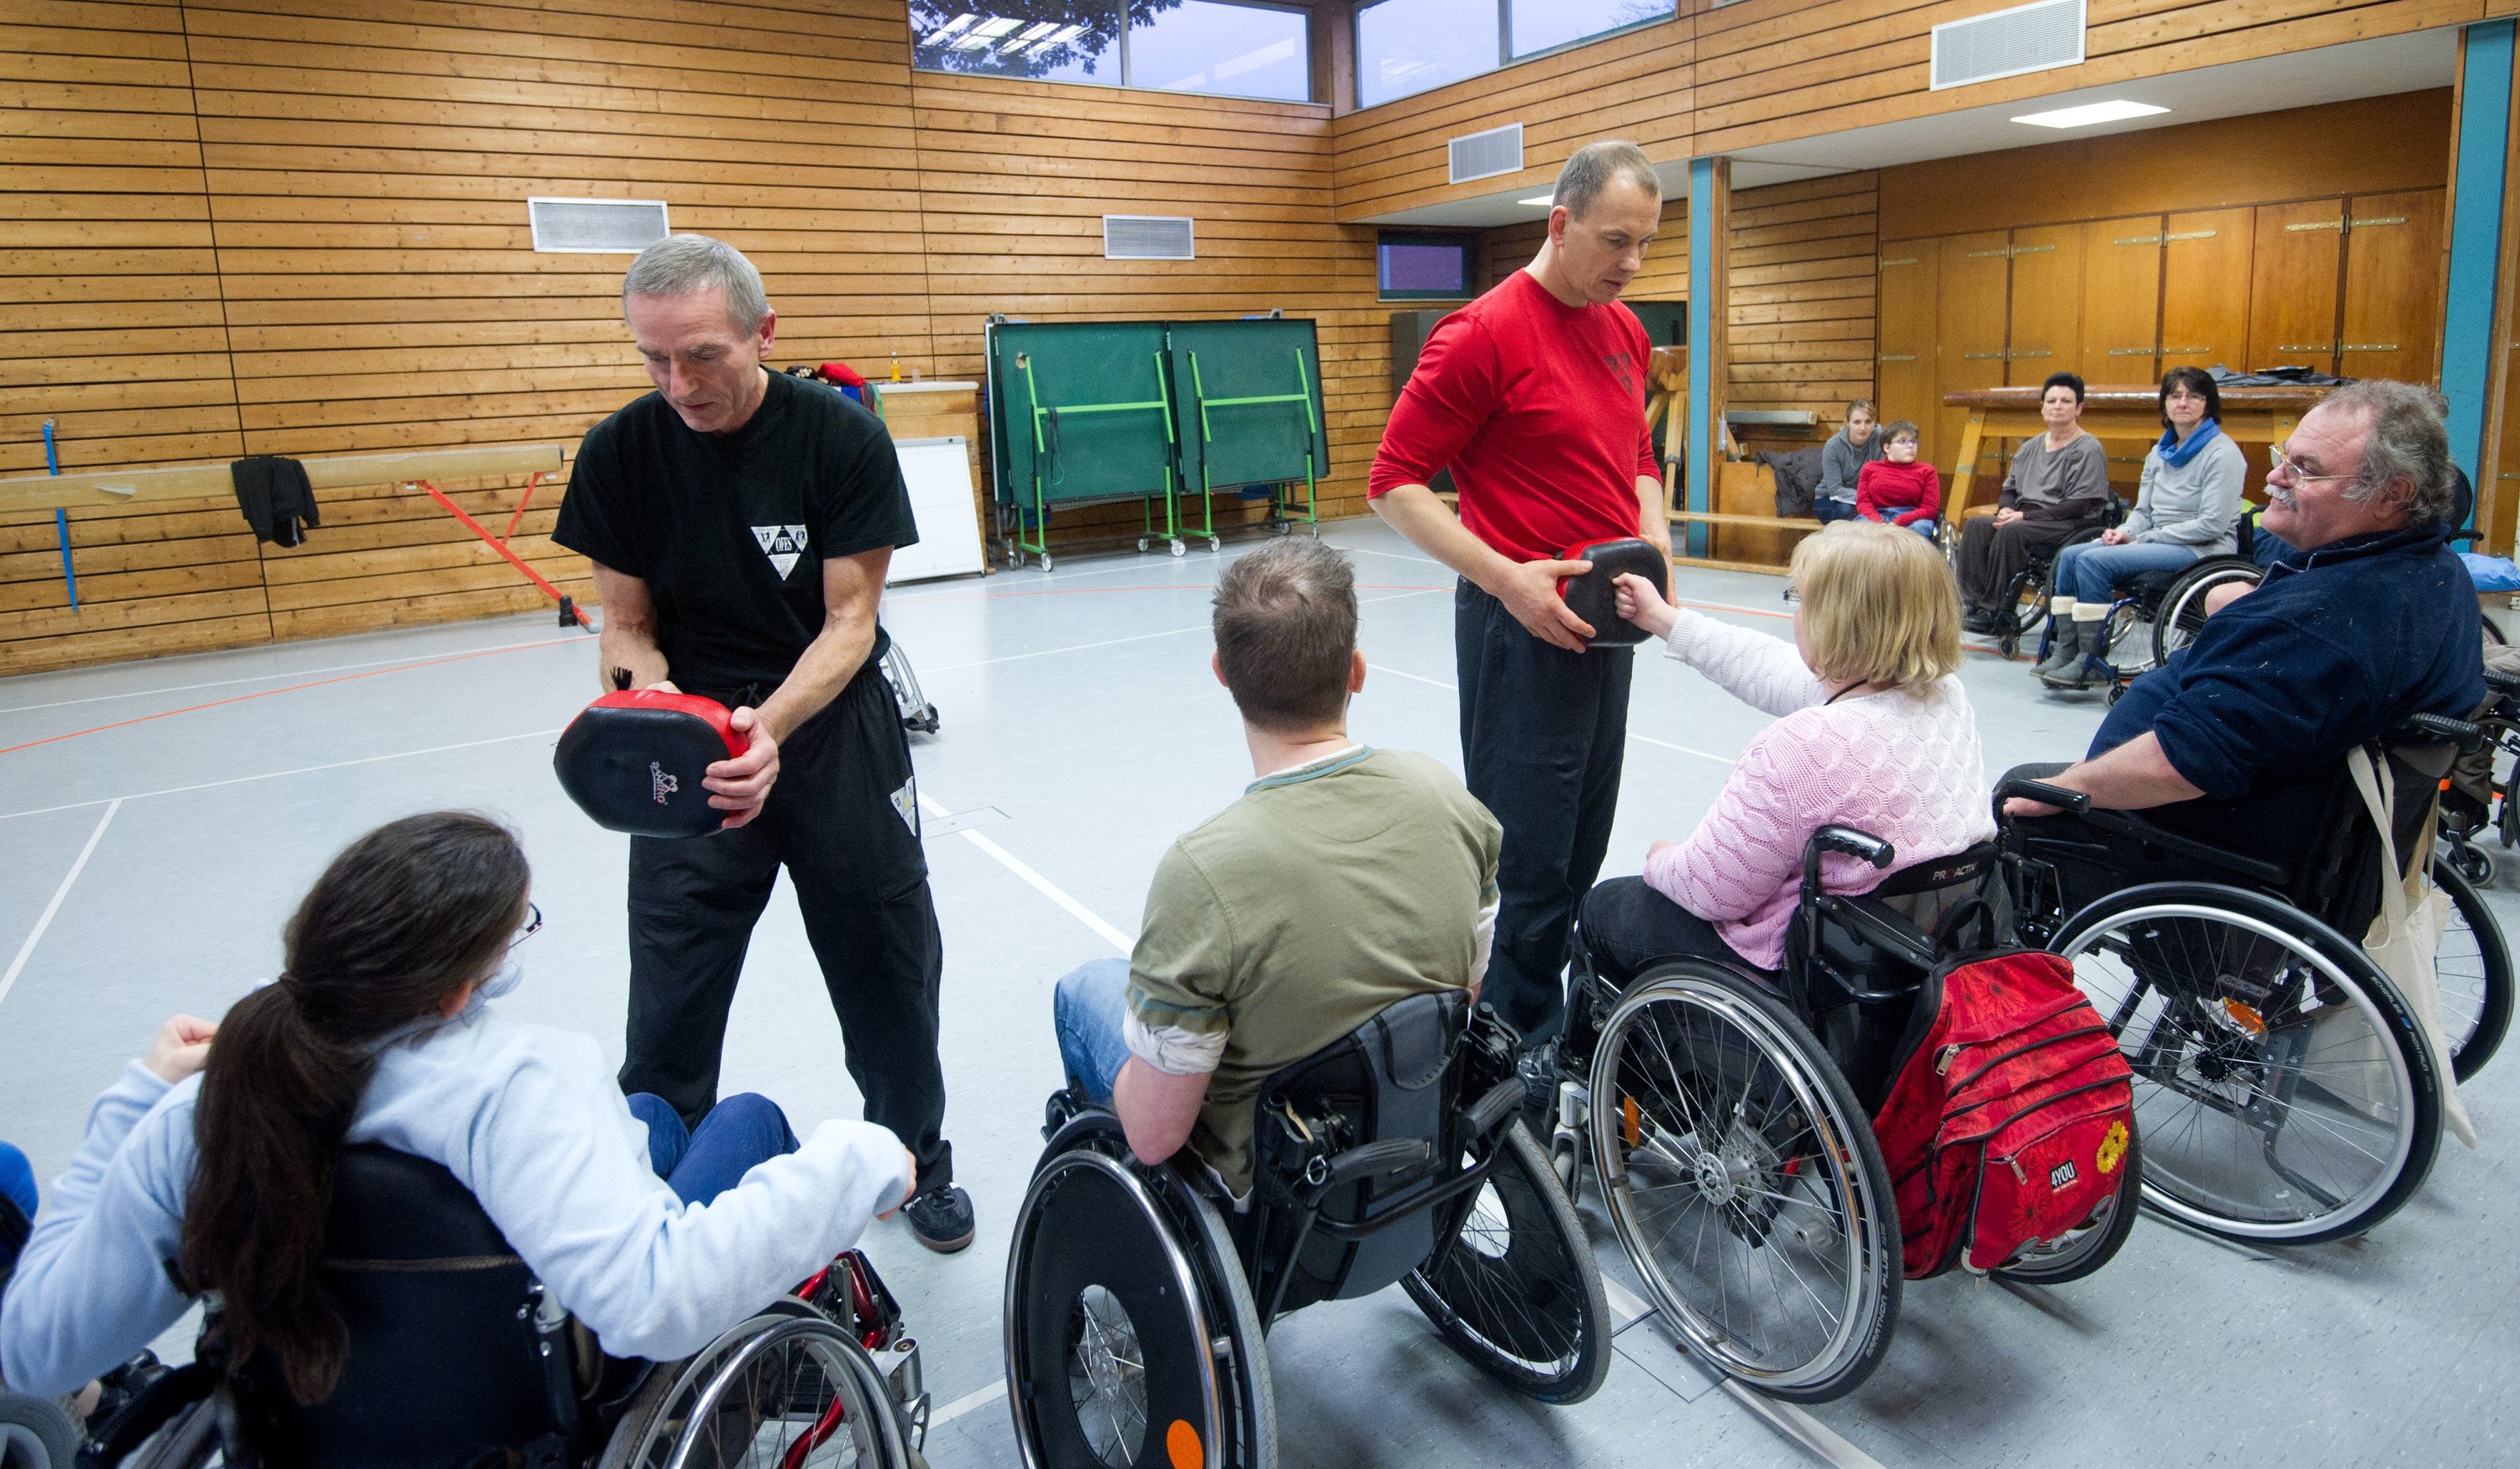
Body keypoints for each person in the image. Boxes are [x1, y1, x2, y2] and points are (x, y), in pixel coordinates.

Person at [0, 813, 914, 1402]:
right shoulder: (520, 1086)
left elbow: (35, 1352)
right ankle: (803, 1351)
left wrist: (132, 1104)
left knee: (654, 1119)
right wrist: (857, 1160)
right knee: (747, 1120)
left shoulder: (209, 1111)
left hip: (325, 1410)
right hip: (532, 1387)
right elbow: (654, 1301)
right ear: (449, 994)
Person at [552, 234, 972, 1252]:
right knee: (670, 992)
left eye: (701, 355)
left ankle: (914, 1161)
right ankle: (656, 1176)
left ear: (763, 334)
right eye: (653, 359)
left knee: (887, 969)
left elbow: (850, 624)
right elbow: (624, 626)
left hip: (831, 735)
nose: (678, 382)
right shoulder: (621, 451)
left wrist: (766, 728)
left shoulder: (839, 441)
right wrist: (657, 712)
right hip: (691, 747)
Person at [1048, 539, 1501, 1194]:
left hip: (1274, 1192)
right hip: (1411, 1145)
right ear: (1357, 670)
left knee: (1086, 988)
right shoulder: (1453, 803)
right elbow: (1466, 991)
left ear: (1222, 673)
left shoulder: (1202, 872)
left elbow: (1155, 1137)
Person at [1366, 139, 1667, 1048]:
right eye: (1616, 241)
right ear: (1560, 222)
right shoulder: (1482, 333)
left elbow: (1639, 456)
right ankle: (1506, 1058)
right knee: (1529, 863)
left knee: (1582, 847)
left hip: (1607, 623)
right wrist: (1506, 580)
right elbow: (1393, 483)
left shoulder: (1625, 330)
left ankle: (1561, 1038)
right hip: (1519, 624)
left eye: (1646, 243)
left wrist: (1655, 531)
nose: (1632, 263)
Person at [2003, 380, 2484, 865]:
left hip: (2212, 840)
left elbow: (2180, 763)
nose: (2275, 477)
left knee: (2017, 789)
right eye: (2285, 456)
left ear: (2391, 494)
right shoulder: (2434, 571)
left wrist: (2073, 784)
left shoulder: (2319, 624)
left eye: (2305, 470)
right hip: (2310, 818)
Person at [1575, 522, 1993, 985]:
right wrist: (1661, 618)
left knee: (1606, 908)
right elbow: (1767, 666)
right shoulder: (1945, 697)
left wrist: (1661, 859)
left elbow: (1715, 892)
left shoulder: (1804, 745)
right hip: (1914, 954)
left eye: (1802, 599)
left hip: (1808, 967)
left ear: (1836, 619)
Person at [2031, 367, 2244, 690]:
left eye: (2193, 396)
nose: (2183, 402)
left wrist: (2146, 537)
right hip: (2155, 540)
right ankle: (2067, 650)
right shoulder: (2159, 453)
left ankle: (2092, 659)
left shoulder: (2223, 453)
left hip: (2203, 549)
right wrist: (2126, 532)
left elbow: (2212, 524)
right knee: (2071, 555)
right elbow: (2143, 511)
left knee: (2093, 561)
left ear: (2208, 403)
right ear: (2165, 404)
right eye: (2175, 395)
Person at [1955, 373, 2110, 633]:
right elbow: (2010, 488)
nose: (2057, 406)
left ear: (2079, 408)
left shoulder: (2088, 449)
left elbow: (2081, 504)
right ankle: (1972, 603)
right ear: (2042, 406)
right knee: (1977, 526)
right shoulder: (2030, 447)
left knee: (2012, 531)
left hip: (2068, 521)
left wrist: (2023, 518)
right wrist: (2006, 508)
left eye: (2065, 401)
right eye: (2051, 401)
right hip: (2026, 516)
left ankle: (1996, 610)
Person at [1854, 422, 1940, 540]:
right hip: (1876, 515)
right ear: (1887, 447)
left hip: (1913, 517)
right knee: (1858, 529)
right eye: (1903, 441)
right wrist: (1878, 522)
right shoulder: (1870, 468)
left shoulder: (1927, 470)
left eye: (1914, 441)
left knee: (1919, 529)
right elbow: (1863, 502)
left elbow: (1930, 508)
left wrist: (1900, 522)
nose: (1910, 446)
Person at [1813, 401, 1884, 525]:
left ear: (1875, 422)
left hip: (1868, 500)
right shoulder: (1833, 445)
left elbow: (1883, 480)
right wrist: (1866, 500)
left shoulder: (1882, 441)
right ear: (1847, 423)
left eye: (1868, 422)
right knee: (1846, 510)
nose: (1863, 428)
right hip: (1830, 498)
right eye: (1857, 422)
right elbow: (1835, 489)